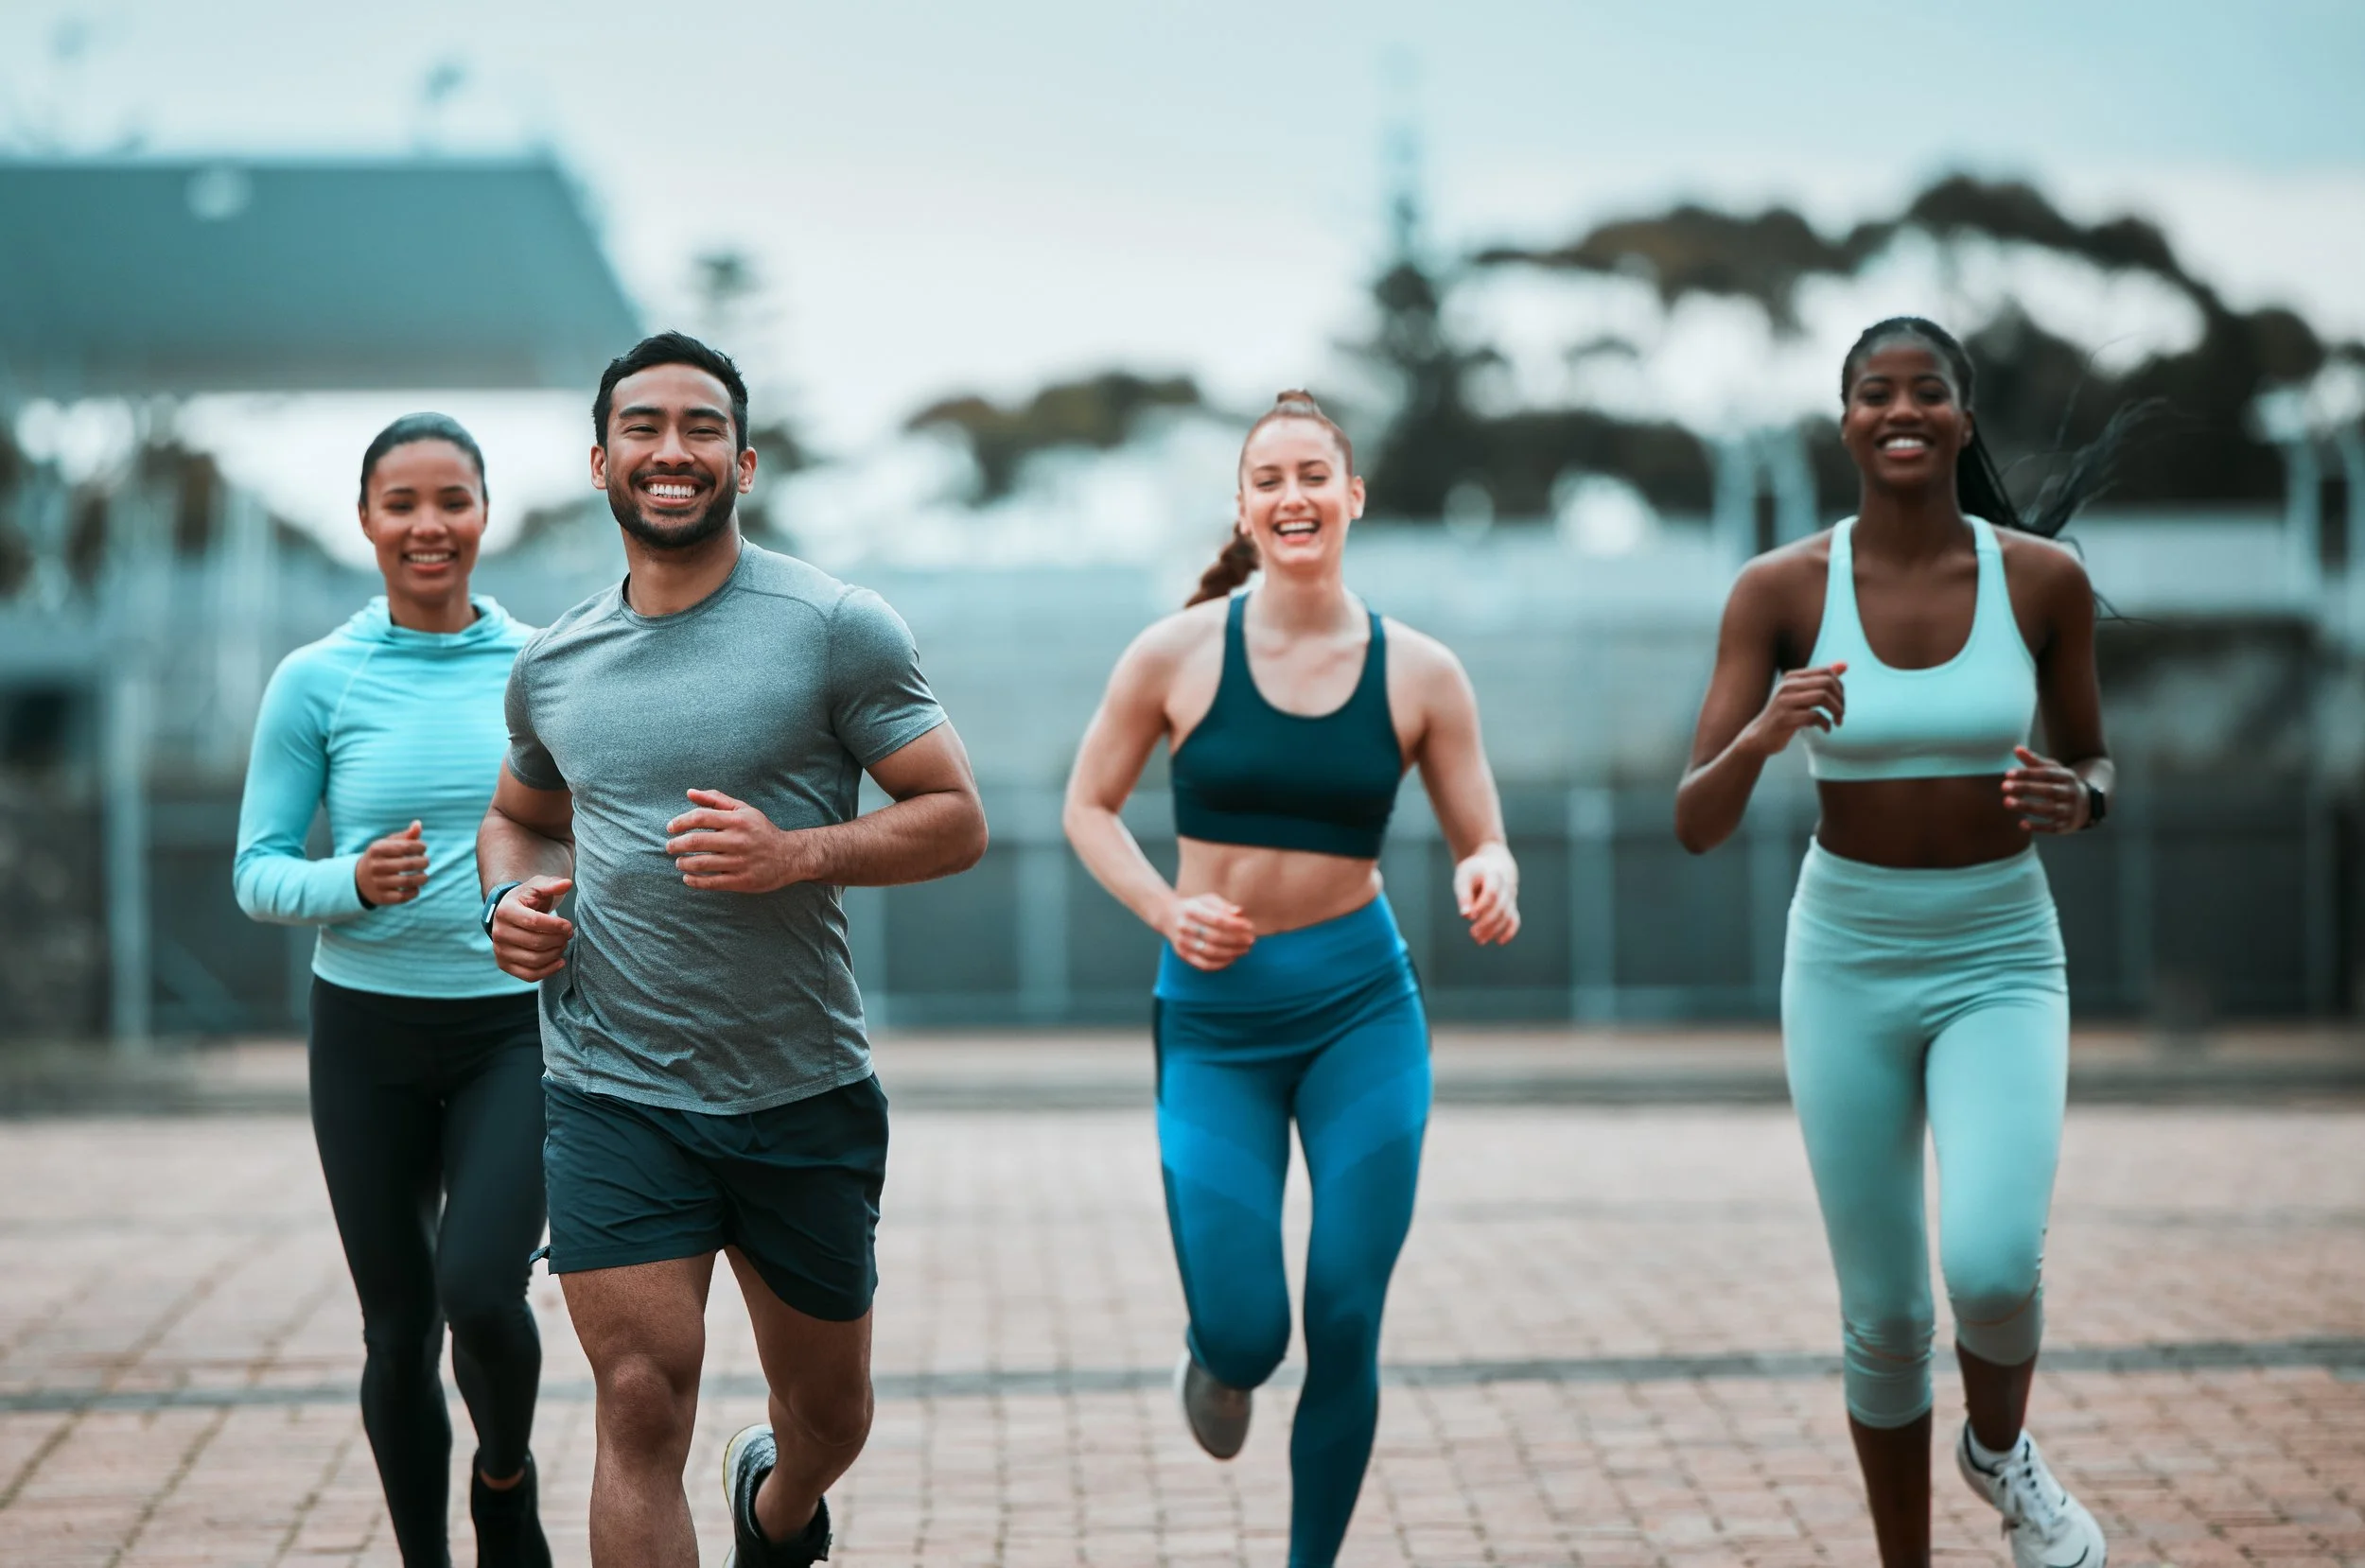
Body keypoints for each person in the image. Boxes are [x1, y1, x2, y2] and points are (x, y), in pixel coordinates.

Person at [478, 331, 988, 1568]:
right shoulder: (552, 662)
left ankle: (779, 1504)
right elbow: (520, 815)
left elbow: (956, 817)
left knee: (828, 1416)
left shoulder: (833, 627)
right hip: (612, 1089)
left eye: (701, 426)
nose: (672, 448)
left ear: (742, 461)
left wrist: (798, 854)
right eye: (643, 426)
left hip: (797, 1089)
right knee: (641, 1396)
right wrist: (510, 903)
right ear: (602, 460)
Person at [1675, 317, 2128, 1568]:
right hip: (1846, 960)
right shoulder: (1775, 592)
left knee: (1989, 1265)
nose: (1902, 411)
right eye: (1876, 394)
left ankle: (2002, 1454)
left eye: (1928, 392)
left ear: (1963, 420)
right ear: (1847, 423)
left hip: (2000, 953)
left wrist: (2081, 797)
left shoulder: (2042, 581)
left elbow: (2094, 755)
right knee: (1883, 1315)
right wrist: (1765, 732)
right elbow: (1693, 819)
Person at [1063, 391, 1520, 1568]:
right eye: (1268, 478)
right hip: (1214, 1020)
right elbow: (1088, 807)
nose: (1292, 495)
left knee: (1346, 1311)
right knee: (1250, 1329)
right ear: (1243, 506)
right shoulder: (1172, 653)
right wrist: (1167, 908)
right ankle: (1214, 1354)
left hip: (1362, 1006)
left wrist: (1492, 872)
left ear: (1352, 496)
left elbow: (1485, 833)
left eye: (1313, 473)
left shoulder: (1421, 672)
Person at [234, 413, 551, 1568]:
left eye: (452, 499)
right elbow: (256, 870)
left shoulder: (541, 664)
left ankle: (504, 1481)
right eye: (402, 502)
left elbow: (590, 832)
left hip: (511, 1031)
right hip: (363, 1034)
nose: (430, 524)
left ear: (484, 511)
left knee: (480, 1286)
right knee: (398, 1323)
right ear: (366, 519)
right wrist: (352, 881)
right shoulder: (316, 679)